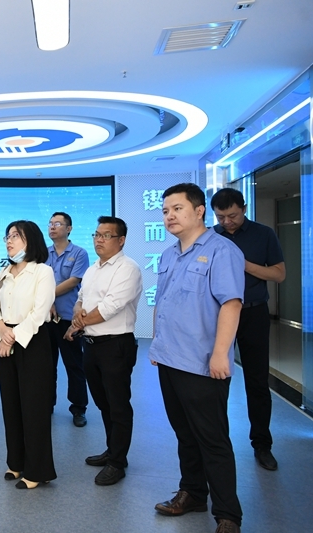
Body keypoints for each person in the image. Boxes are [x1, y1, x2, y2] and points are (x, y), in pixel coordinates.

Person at [150, 183, 244, 533]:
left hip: (203, 363)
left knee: (212, 439)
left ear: (199, 210)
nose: (169, 216)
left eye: (177, 209)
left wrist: (220, 354)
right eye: (165, 211)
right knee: (184, 433)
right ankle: (192, 492)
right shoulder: (168, 255)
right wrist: (157, 343)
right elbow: (162, 301)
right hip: (170, 358)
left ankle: (228, 514)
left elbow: (231, 304)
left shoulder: (222, 251)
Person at [210, 187, 284, 472]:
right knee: (216, 379)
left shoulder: (263, 234)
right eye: (221, 217)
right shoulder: (210, 236)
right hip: (217, 315)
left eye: (232, 216)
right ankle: (215, 442)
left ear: (244, 208)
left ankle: (262, 444)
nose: (227, 222)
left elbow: (278, 274)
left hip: (253, 313)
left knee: (257, 380)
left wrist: (243, 264)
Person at [65, 216, 142, 486]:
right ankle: (112, 450)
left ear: (121, 240)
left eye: (106, 235)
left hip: (116, 345)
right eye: (97, 234)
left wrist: (78, 323)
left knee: (118, 405)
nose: (99, 240)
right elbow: (81, 299)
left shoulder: (128, 269)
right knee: (103, 403)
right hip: (91, 345)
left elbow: (110, 308)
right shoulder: (93, 269)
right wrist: (78, 314)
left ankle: (118, 463)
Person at [0, 220, 57, 489]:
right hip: (4, 339)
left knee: (34, 407)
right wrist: (2, 329)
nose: (9, 240)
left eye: (16, 236)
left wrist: (12, 336)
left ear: (32, 240)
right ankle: (15, 462)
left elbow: (39, 313)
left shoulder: (43, 271)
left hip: (32, 341)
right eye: (7, 236)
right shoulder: (3, 273)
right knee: (11, 404)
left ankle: (37, 470)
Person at [45, 211, 90, 427]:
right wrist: (47, 302)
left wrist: (47, 296)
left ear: (69, 228)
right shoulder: (44, 253)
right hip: (47, 318)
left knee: (74, 365)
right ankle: (47, 404)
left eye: (57, 224)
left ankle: (78, 408)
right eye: (50, 223)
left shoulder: (79, 253)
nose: (52, 227)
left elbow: (74, 281)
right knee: (47, 365)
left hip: (69, 319)